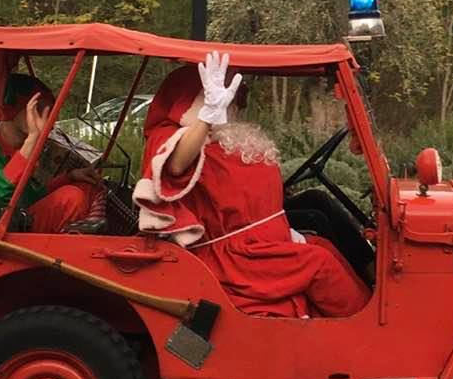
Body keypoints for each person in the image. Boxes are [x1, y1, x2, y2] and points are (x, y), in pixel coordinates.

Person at [133, 52, 371, 318]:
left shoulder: (220, 141)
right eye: (222, 99)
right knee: (320, 263)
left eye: (230, 100)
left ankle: (369, 291)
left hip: (260, 241)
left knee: (322, 245)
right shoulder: (174, 137)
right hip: (235, 256)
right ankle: (372, 332)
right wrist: (209, 114)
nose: (232, 107)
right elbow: (175, 165)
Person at [0, 74, 105, 233]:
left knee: (87, 188)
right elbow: (1, 198)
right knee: (71, 198)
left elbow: (28, 197)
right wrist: (33, 137)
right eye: (38, 109)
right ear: (14, 109)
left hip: (13, 222)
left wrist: (70, 177)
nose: (47, 120)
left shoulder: (17, 148)